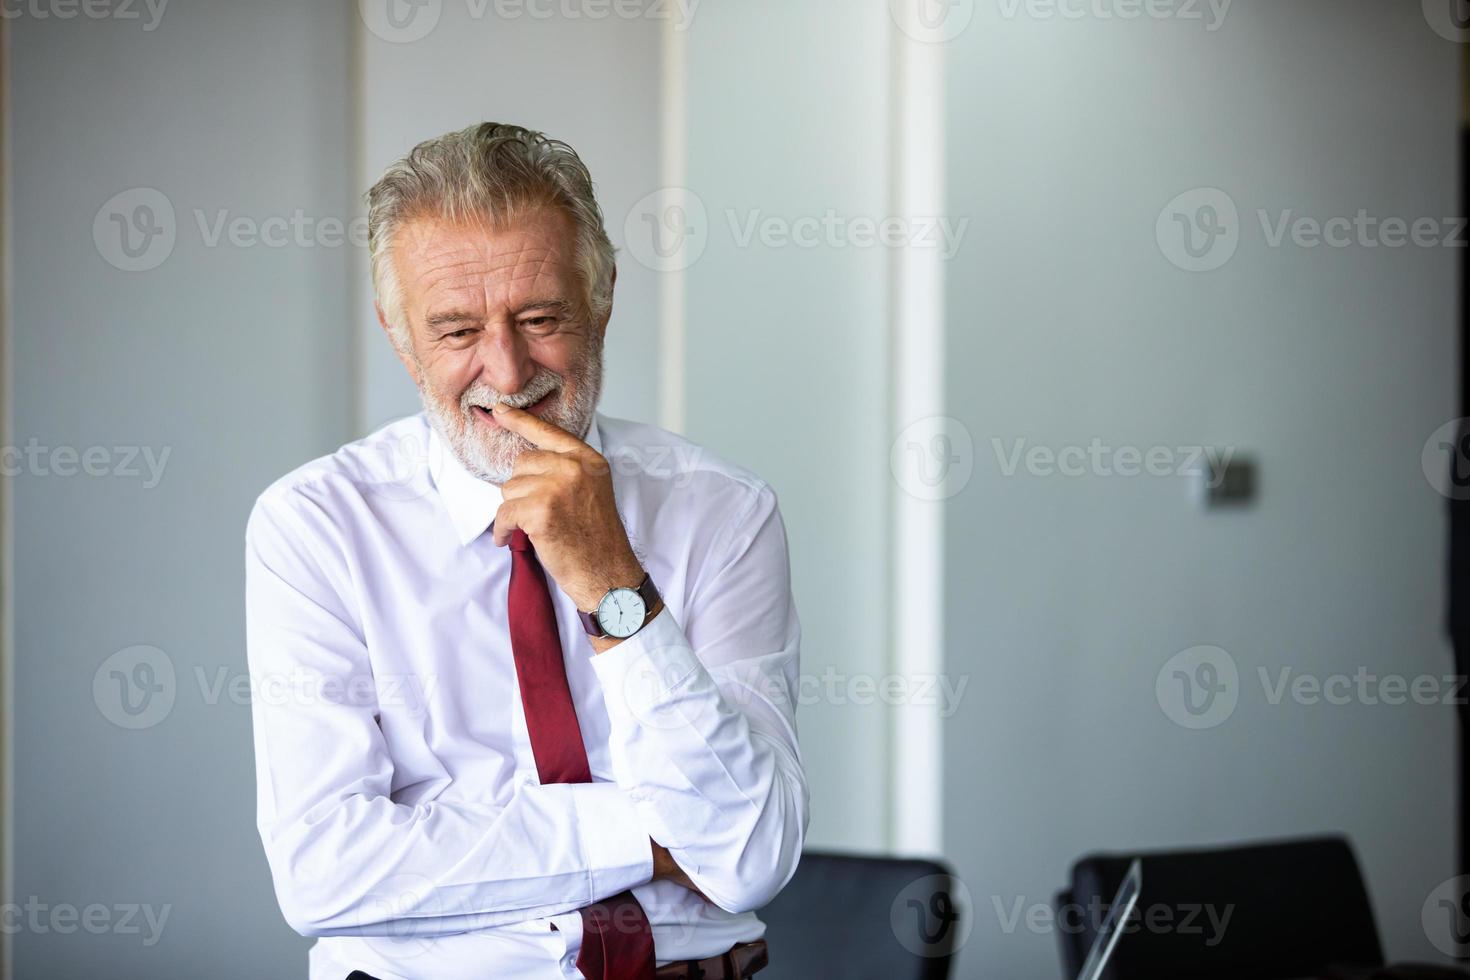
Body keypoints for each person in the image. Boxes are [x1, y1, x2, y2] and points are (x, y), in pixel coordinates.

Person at [244, 122, 807, 980]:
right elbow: (324, 871)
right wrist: (652, 834)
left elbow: (753, 853)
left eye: (540, 318)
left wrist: (611, 580)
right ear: (399, 337)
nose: (508, 374)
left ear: (604, 293)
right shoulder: (315, 526)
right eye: (457, 331)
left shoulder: (724, 512)